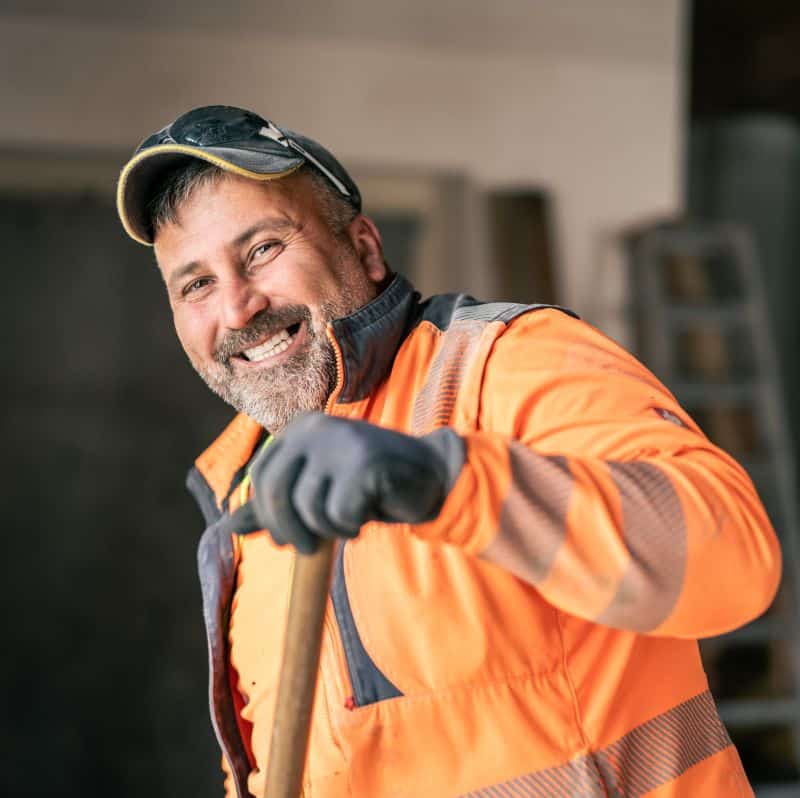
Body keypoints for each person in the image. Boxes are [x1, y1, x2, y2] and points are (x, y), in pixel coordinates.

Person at [116, 105, 780, 798]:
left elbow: (734, 563)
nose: (238, 307)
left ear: (366, 248)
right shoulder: (244, 494)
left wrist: (450, 482)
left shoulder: (510, 363)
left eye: (263, 250)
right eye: (196, 284)